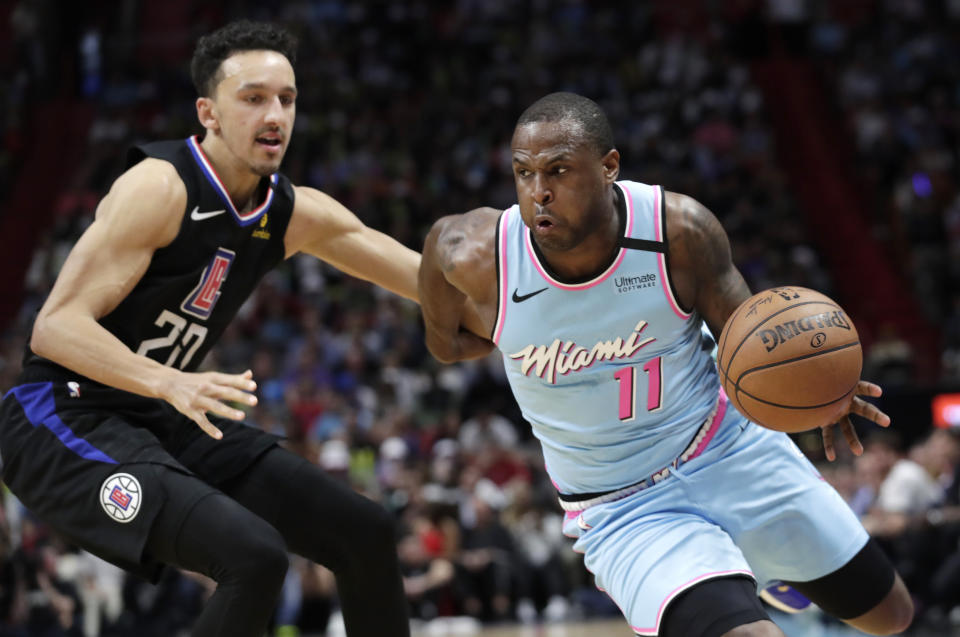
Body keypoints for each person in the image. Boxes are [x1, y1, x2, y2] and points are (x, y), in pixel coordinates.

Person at [417, 92, 915, 637]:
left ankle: (767, 569)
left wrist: (818, 389)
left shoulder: (677, 231)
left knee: (891, 616)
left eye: (558, 170)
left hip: (726, 448)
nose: (540, 192)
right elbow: (443, 315)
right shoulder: (475, 253)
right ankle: (736, 578)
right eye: (523, 172)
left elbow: (746, 346)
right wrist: (478, 334)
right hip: (622, 504)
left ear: (609, 167)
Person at [0, 21, 416, 637]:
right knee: (255, 557)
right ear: (209, 112)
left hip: (159, 414)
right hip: (59, 415)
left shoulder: (291, 212)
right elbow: (54, 329)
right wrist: (169, 382)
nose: (274, 113)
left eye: (287, 98)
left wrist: (530, 304)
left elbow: (430, 281)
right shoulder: (159, 187)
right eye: (253, 98)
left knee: (364, 531)